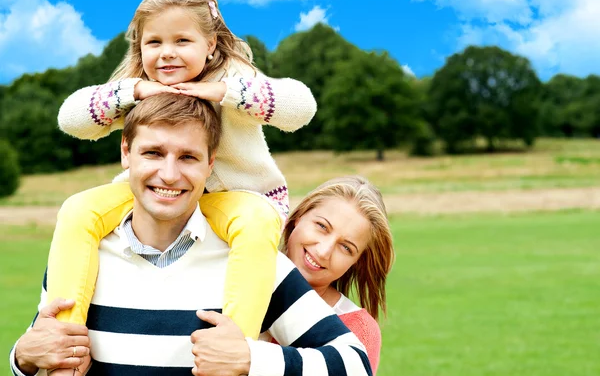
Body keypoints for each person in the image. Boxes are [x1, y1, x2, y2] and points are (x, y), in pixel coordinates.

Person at [10, 93, 372, 376]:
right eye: (153, 152)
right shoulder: (84, 256)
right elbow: (41, 351)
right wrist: (22, 358)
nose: (168, 174)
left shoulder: (255, 264)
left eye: (187, 157)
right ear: (126, 152)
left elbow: (356, 365)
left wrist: (250, 358)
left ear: (210, 163)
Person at [48, 0, 317, 343]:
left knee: (256, 223)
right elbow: (70, 118)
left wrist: (225, 93)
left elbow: (302, 107)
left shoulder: (231, 80)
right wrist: (134, 91)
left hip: (237, 198)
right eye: (154, 42)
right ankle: (64, 337)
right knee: (78, 209)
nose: (167, 53)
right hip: (154, 192)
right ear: (140, 47)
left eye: (182, 41)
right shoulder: (137, 89)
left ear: (209, 45)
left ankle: (233, 343)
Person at [276, 176, 395, 374]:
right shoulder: (230, 273)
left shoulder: (358, 331)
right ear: (298, 217)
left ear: (356, 262)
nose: (324, 251)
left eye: (346, 247)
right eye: (322, 226)